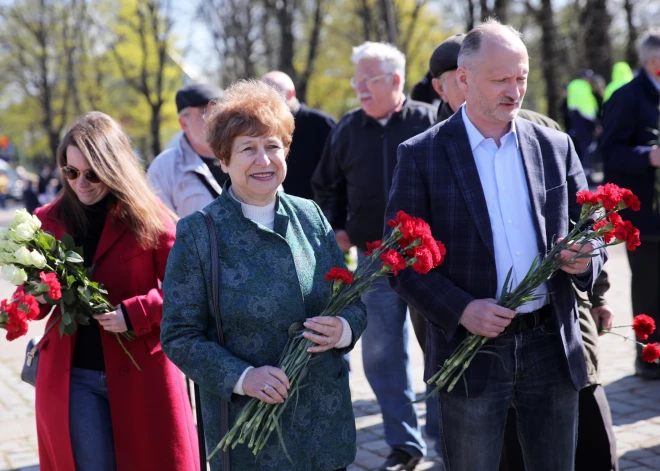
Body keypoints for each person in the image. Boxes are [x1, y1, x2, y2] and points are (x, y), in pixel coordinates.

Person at [385, 20, 606, 471]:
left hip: (551, 344)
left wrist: (585, 261)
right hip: (471, 350)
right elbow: (400, 263)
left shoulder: (554, 145)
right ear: (463, 79)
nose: (515, 90)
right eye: (501, 79)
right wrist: (462, 309)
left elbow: (594, 233)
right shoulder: (421, 154)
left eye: (521, 77)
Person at [160, 80, 367, 471]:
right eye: (247, 149)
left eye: (272, 146)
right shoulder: (198, 233)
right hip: (250, 439)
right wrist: (242, 377)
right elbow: (179, 335)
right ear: (223, 159)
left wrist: (344, 329)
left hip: (325, 430)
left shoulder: (311, 216)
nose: (264, 160)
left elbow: (352, 301)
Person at [31, 112, 199, 471]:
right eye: (70, 172)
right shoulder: (47, 220)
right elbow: (31, 302)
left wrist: (135, 313)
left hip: (143, 374)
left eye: (92, 173)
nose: (81, 183)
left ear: (114, 166)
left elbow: (188, 292)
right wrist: (36, 295)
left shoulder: (149, 217)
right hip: (73, 375)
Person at [312, 41, 436, 471]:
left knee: (438, 347)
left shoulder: (430, 120)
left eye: (369, 80)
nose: (360, 88)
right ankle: (405, 444)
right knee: (382, 355)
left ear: (396, 81)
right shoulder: (346, 129)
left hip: (430, 261)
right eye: (357, 80)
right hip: (373, 262)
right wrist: (338, 226)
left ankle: (444, 436)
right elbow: (325, 185)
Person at [499, 270, 618, 471]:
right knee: (514, 447)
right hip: (496, 345)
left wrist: (597, 295)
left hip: (570, 326)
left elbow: (586, 242)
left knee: (595, 440)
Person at [601, 28, 660, 379]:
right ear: (654, 62)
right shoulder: (627, 97)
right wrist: (649, 156)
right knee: (650, 290)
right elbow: (610, 152)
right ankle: (649, 360)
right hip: (648, 219)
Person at [429, 33, 562, 131]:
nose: (513, 93)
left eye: (520, 79)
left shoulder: (546, 130)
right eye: (465, 81)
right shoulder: (426, 152)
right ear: (440, 88)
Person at [147, 82, 228, 218]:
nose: (214, 119)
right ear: (184, 123)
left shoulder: (246, 155)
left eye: (218, 111)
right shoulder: (164, 169)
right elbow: (162, 229)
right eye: (204, 112)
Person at [262, 70, 336, 200]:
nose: (267, 103)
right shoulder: (260, 129)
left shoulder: (320, 123)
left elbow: (337, 174)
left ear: (290, 94)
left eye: (273, 96)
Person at [567, 69, 599, 181]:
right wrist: (594, 125)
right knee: (588, 148)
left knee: (581, 148)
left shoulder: (573, 86)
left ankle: (581, 174)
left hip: (576, 122)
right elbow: (587, 109)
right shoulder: (583, 87)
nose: (589, 80)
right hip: (585, 122)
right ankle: (587, 175)